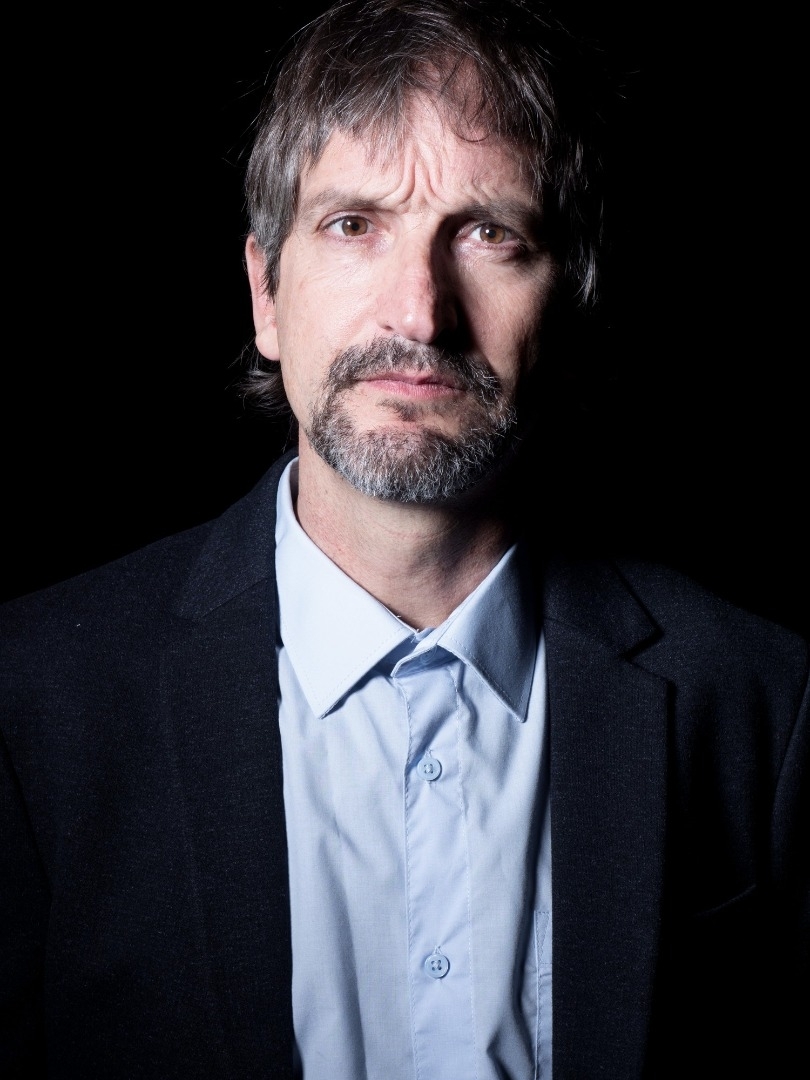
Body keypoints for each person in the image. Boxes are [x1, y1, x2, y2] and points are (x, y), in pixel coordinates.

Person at [1, 2, 807, 1077]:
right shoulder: (35, 698)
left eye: (487, 233)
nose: (419, 315)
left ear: (567, 301)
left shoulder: (753, 697)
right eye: (353, 226)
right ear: (266, 294)